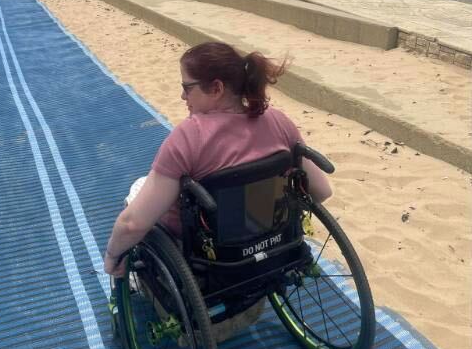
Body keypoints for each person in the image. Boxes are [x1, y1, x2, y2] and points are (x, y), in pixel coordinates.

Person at [104, 41, 332, 281]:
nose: (182, 95)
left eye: (187, 87)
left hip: (211, 262)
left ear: (216, 88)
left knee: (136, 193)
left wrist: (111, 256)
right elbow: (322, 191)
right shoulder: (278, 122)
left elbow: (132, 225)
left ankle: (125, 286)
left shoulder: (189, 137)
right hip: (274, 245)